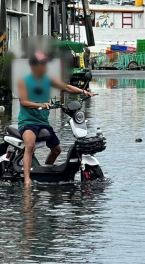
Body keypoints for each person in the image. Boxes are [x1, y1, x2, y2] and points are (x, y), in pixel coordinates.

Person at [16, 51, 93, 187]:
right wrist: (40, 105)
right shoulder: (23, 81)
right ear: (34, 66)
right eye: (43, 64)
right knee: (30, 145)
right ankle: (27, 180)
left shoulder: (47, 79)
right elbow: (23, 102)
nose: (45, 67)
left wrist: (83, 91)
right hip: (28, 122)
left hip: (43, 122)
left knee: (57, 150)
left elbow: (66, 87)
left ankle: (45, 171)